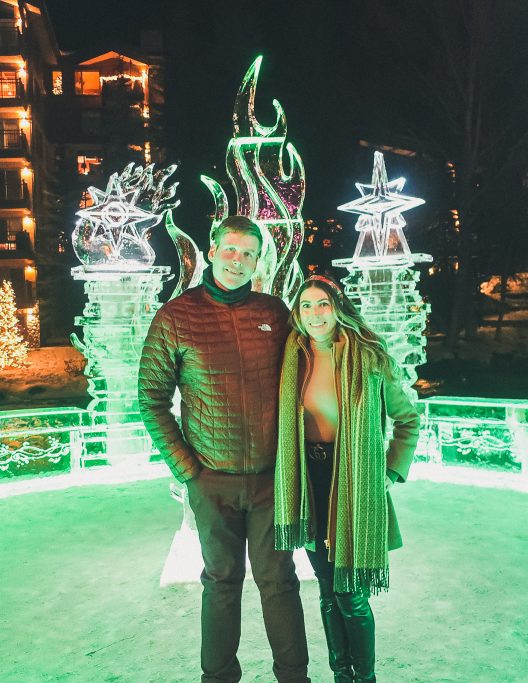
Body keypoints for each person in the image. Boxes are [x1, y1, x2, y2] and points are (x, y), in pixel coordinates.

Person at [138, 215, 311, 683]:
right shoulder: (176, 316)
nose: (238, 260)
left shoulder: (275, 313)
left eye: (248, 253)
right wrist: (188, 469)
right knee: (220, 584)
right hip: (211, 480)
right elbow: (151, 398)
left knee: (279, 583)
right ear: (211, 252)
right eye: (230, 250)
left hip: (271, 479)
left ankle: (295, 677)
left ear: (258, 260)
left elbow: (311, 373)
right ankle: (217, 678)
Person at [274, 275, 420, 683]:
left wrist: (390, 471)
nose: (315, 314)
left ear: (338, 307)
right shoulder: (291, 357)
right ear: (297, 313)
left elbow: (407, 419)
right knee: (325, 586)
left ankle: (365, 677)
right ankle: (341, 674)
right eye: (306, 306)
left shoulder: (369, 357)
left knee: (351, 592)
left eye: (322, 304)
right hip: (307, 481)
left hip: (353, 481)